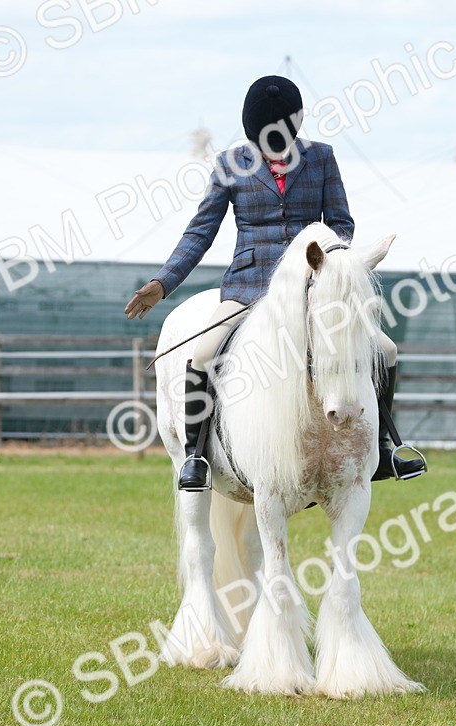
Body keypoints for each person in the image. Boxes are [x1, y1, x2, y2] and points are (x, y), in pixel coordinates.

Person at [123, 75, 425, 490]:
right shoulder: (230, 164)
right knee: (203, 353)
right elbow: (201, 231)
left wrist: (328, 263)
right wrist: (163, 283)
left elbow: (342, 224)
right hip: (250, 286)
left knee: (385, 349)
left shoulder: (321, 158)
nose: (275, 151)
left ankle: (382, 449)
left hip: (313, 288)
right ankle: (196, 456)